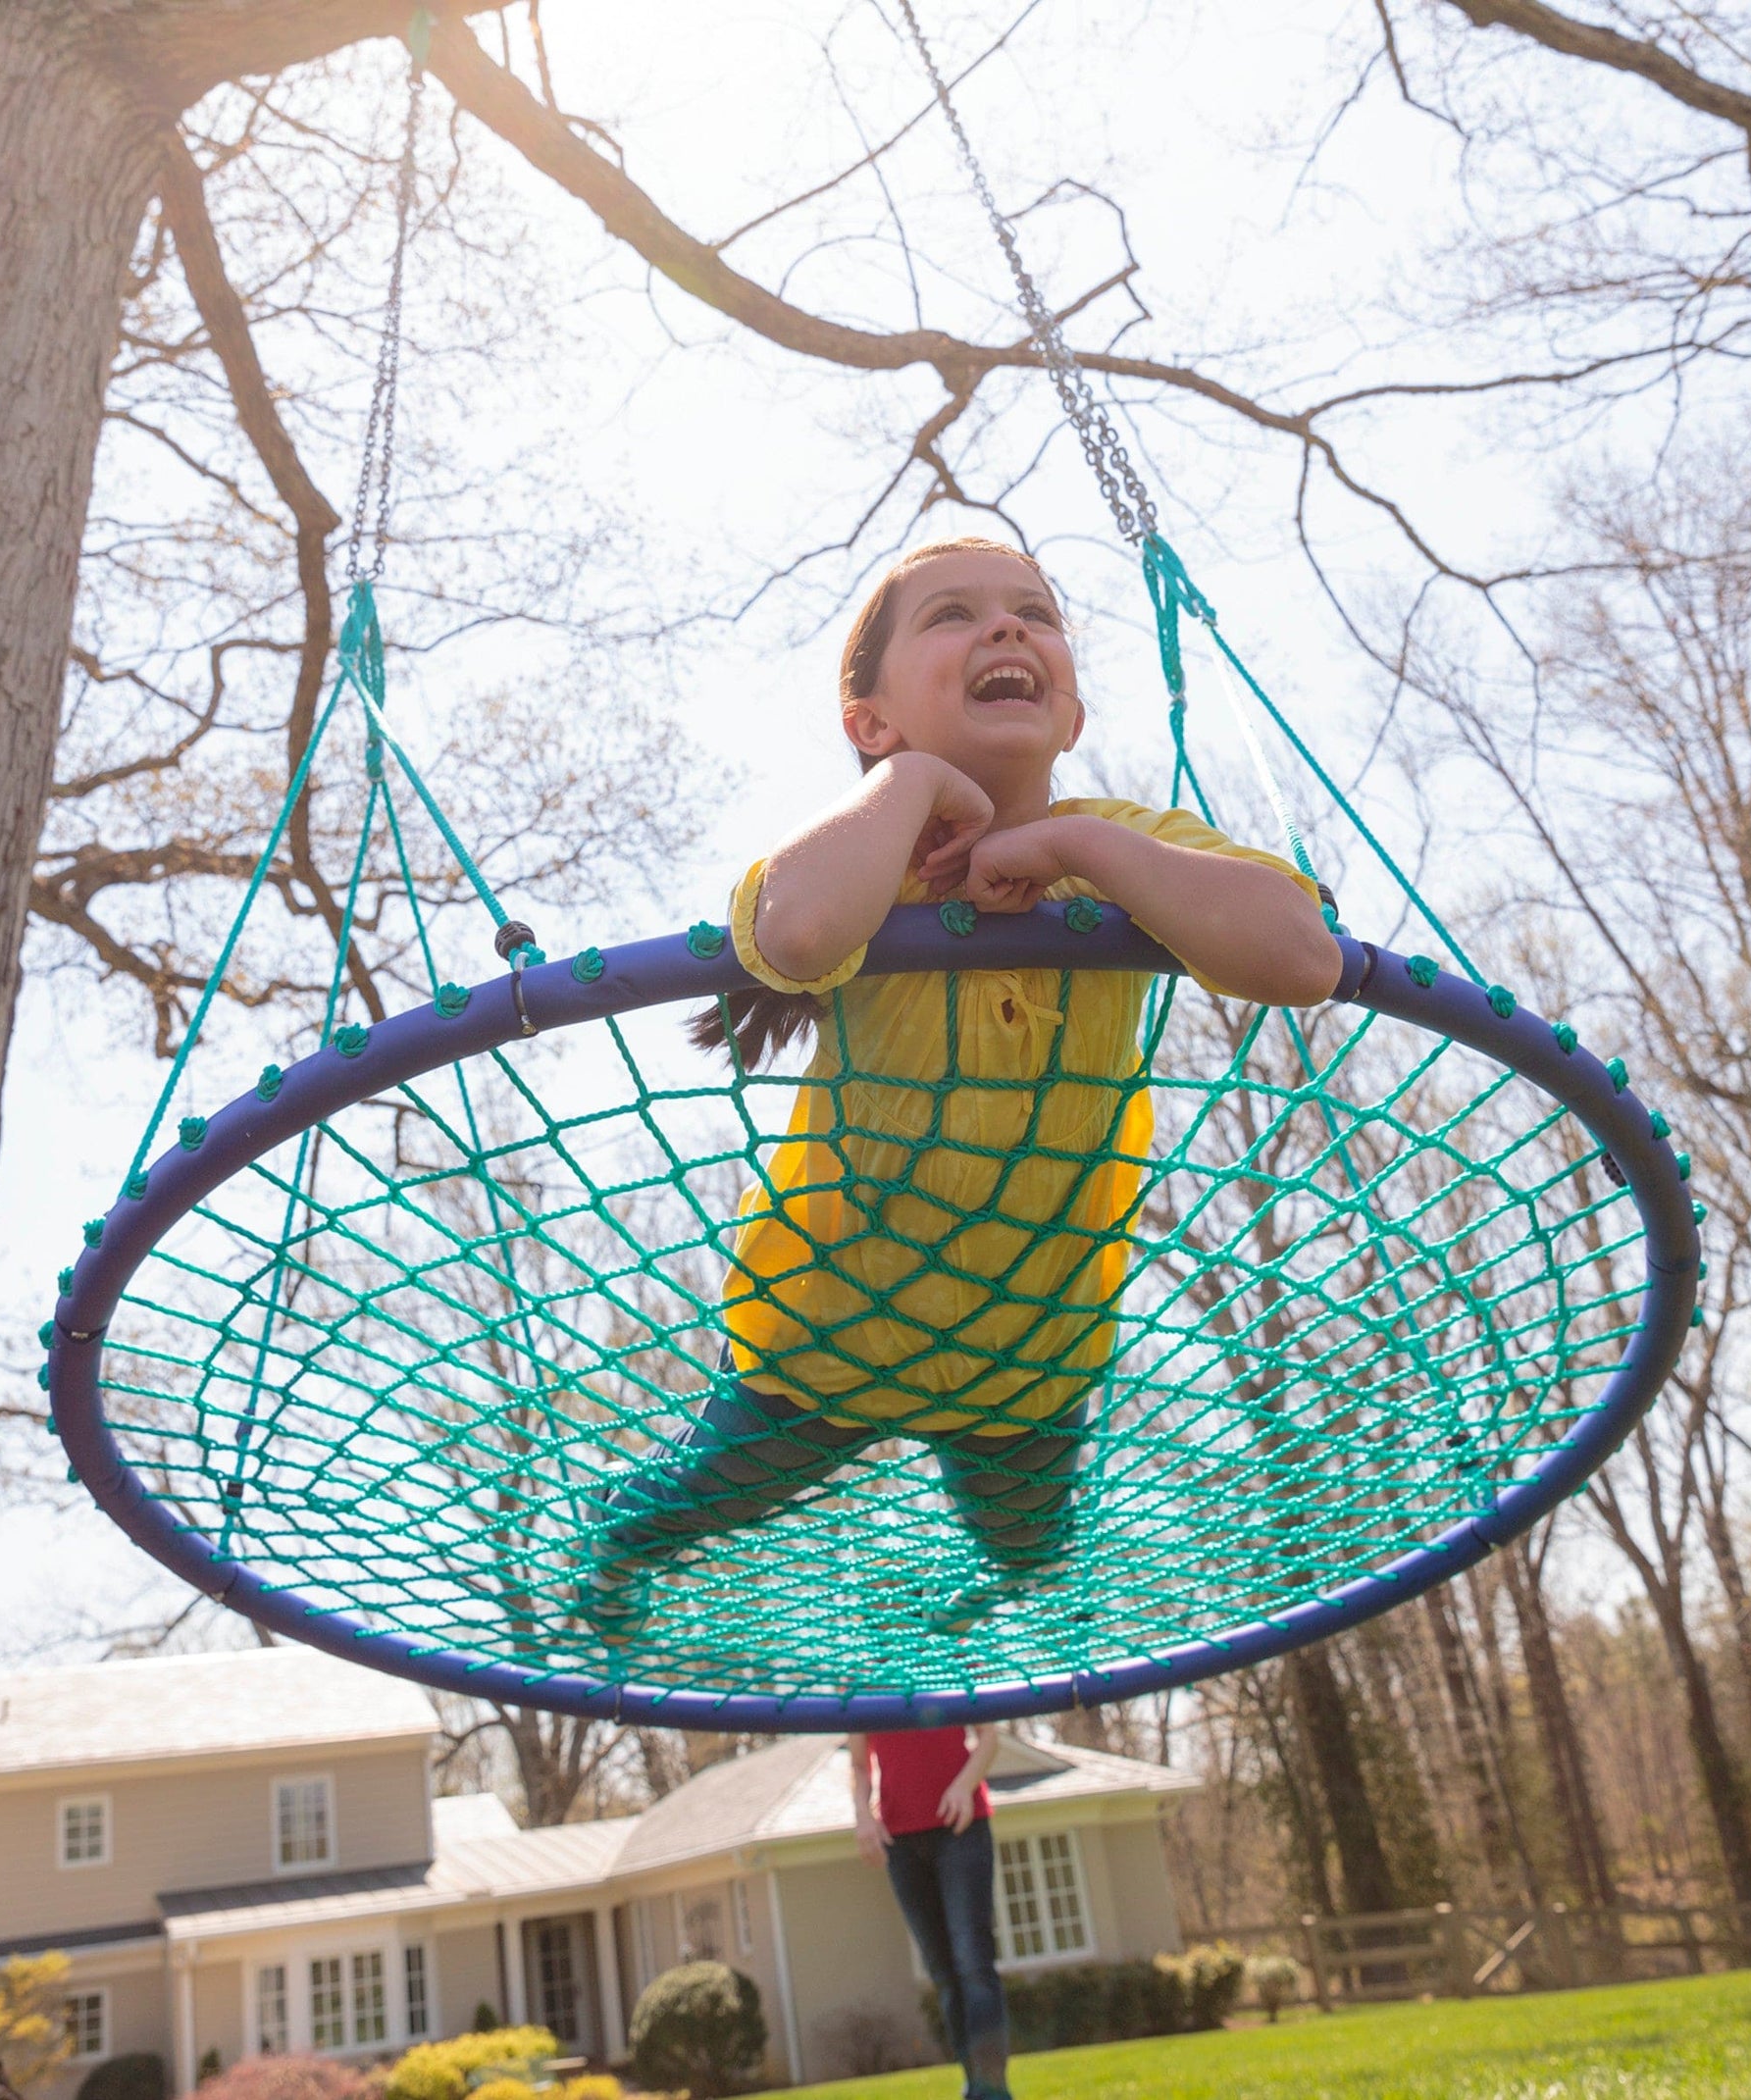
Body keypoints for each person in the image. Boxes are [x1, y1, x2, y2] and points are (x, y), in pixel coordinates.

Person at [580, 537, 1339, 1632]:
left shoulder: (1123, 843)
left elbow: (1302, 957)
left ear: (1068, 716)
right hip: (823, 1331)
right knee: (696, 1500)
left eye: (1034, 610)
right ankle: (614, 1548)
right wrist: (912, 784)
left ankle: (978, 1597)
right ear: (869, 719)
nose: (1006, 626)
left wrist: (1075, 842)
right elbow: (793, 933)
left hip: (1031, 1353)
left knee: (1029, 1553)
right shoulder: (864, 854)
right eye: (952, 614)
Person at [850, 1723, 1009, 2100]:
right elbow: (859, 1764)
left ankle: (993, 2090)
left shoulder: (951, 1660)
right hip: (901, 1841)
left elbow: (989, 1736)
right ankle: (976, 2084)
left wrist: (964, 1785)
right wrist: (862, 1815)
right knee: (944, 1971)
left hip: (961, 1826)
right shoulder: (859, 1674)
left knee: (973, 1961)